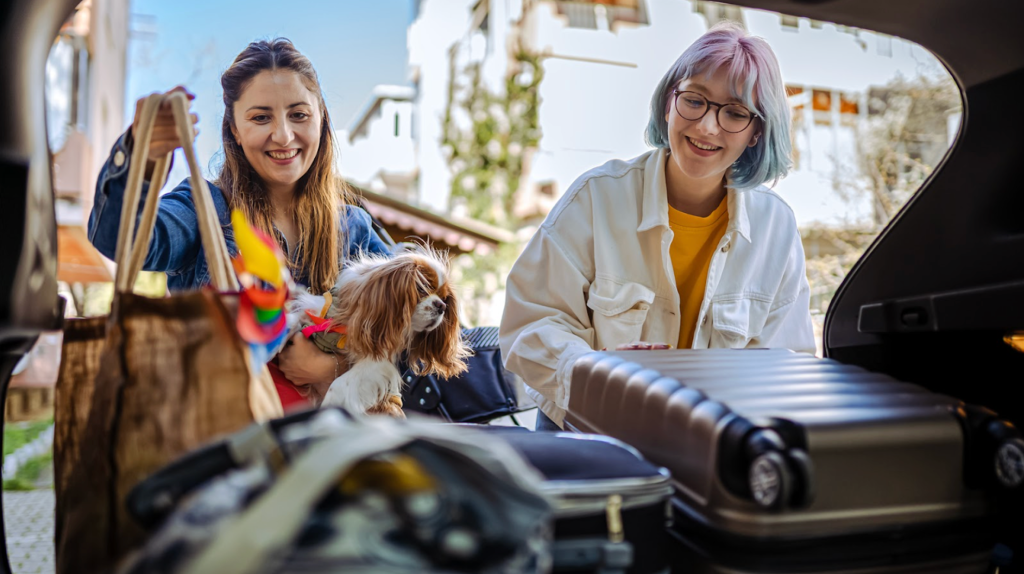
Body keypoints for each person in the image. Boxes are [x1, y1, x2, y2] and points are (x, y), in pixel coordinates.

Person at [499, 23, 816, 431]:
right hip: (589, 429)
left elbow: (788, 364)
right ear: (669, 103)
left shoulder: (776, 228)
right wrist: (599, 374)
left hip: (710, 438)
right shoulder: (596, 198)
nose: (706, 126)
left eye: (735, 113)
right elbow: (532, 323)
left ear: (757, 132)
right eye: (695, 100)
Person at [88, 38, 390, 403]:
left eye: (299, 114)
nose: (283, 135)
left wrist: (333, 368)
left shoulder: (354, 227)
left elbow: (419, 326)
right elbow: (120, 239)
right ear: (234, 129)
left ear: (321, 118)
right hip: (221, 439)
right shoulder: (206, 211)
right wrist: (139, 154)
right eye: (261, 117)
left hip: (330, 448)